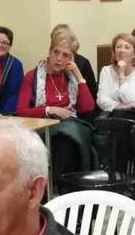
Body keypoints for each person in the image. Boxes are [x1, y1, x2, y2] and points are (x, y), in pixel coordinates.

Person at [15, 31, 96, 182]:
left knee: (69, 138)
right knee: (66, 140)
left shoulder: (71, 78)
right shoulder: (32, 77)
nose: (59, 59)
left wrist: (78, 76)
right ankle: (55, 186)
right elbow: (20, 111)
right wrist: (49, 109)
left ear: (72, 58)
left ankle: (55, 185)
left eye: (65, 55)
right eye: (55, 52)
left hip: (70, 127)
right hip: (42, 128)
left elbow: (87, 108)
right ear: (49, 52)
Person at [96, 33, 135, 122]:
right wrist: (121, 106)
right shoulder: (106, 71)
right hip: (110, 117)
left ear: (134, 54)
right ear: (114, 52)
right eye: (118, 47)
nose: (121, 50)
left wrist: (121, 74)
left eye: (127, 47)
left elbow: (128, 99)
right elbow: (101, 100)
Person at [51, 24, 98, 102]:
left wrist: (77, 75)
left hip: (79, 111)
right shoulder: (48, 64)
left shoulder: (83, 63)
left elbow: (92, 98)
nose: (59, 58)